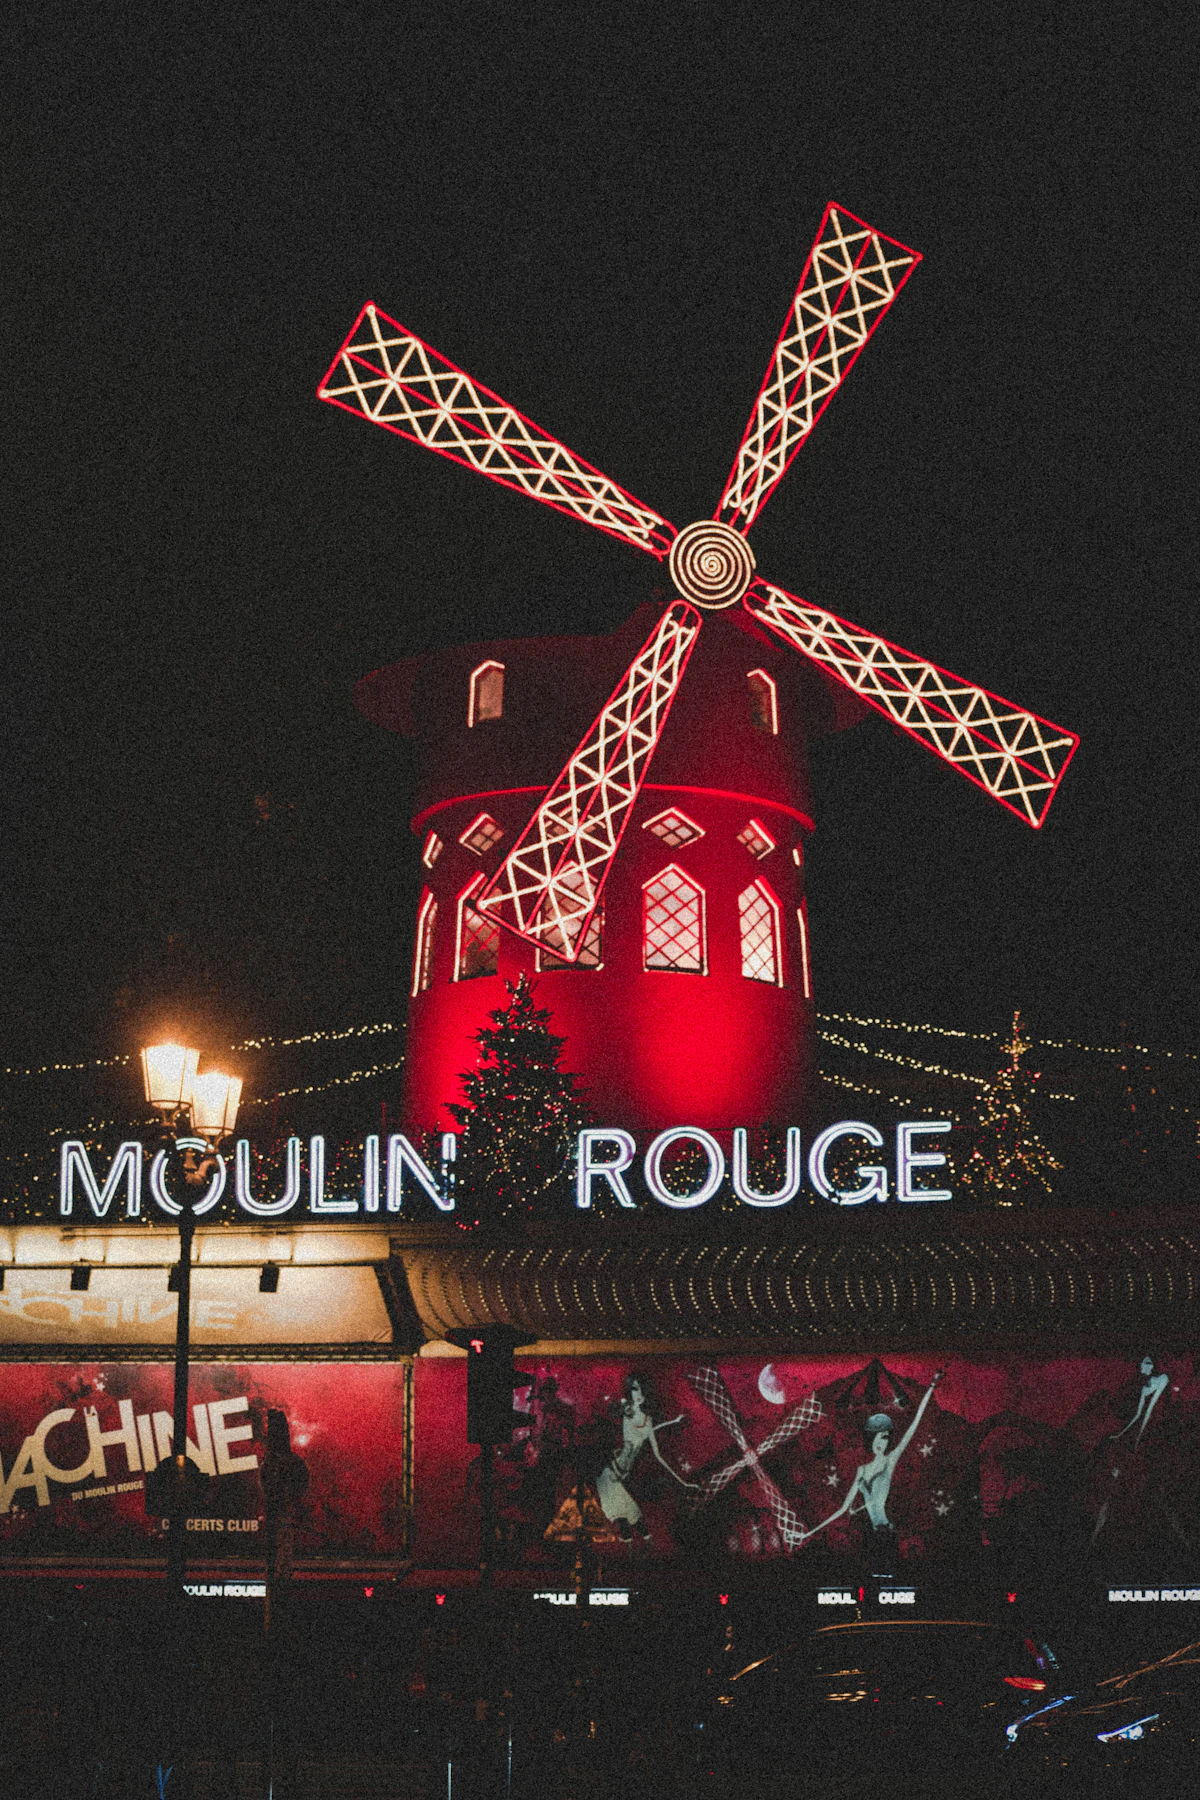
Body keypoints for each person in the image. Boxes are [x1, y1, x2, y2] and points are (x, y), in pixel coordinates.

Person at [798, 1370, 943, 1545]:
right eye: (876, 1436)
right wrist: (809, 1534)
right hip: (878, 1534)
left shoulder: (890, 1461)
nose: (879, 1441)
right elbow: (843, 1509)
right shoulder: (862, 1470)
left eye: (884, 1436)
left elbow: (914, 1425)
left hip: (884, 1532)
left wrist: (931, 1387)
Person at [596, 1372, 697, 1542]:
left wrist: (683, 1482)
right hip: (613, 1472)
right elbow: (614, 1409)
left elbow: (658, 1454)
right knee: (625, 1514)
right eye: (635, 1389)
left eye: (643, 1389)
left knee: (629, 1514)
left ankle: (640, 1541)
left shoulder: (647, 1419)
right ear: (630, 1391)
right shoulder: (627, 1410)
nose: (639, 1394)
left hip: (621, 1473)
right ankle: (633, 1541)